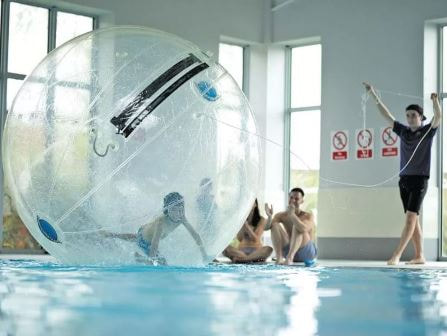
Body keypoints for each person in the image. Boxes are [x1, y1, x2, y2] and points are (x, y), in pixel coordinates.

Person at [363, 82, 441, 265]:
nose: (410, 118)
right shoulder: (403, 131)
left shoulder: (427, 131)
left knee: (410, 219)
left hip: (419, 180)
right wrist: (373, 95)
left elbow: (438, 117)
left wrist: (436, 102)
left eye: (413, 115)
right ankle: (420, 255)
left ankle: (396, 255)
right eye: (408, 116)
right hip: (403, 180)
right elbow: (386, 114)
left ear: (421, 117)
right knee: (413, 220)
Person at [103, 192, 207, 263]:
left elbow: (196, 236)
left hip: (145, 231)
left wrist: (204, 255)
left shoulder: (181, 218)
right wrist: (151, 260)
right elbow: (154, 244)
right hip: (146, 240)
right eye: (174, 210)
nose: (177, 213)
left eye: (180, 210)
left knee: (135, 238)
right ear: (167, 210)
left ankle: (111, 234)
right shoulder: (161, 222)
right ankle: (140, 259)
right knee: (162, 262)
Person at [266, 188, 317, 265]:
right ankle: (279, 257)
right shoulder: (281, 215)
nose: (293, 200)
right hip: (288, 250)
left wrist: (292, 215)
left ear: (302, 201)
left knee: (297, 226)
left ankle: (290, 258)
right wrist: (269, 217)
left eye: (296, 199)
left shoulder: (308, 216)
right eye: (291, 198)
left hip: (306, 252)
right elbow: (267, 228)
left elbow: (303, 229)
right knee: (275, 225)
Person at [223, 199, 273, 263]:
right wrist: (242, 223)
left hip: (256, 251)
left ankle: (243, 259)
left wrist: (246, 226)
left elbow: (255, 239)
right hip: (241, 252)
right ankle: (249, 259)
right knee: (225, 249)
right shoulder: (241, 219)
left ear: (255, 205)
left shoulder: (261, 220)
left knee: (268, 249)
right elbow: (239, 238)